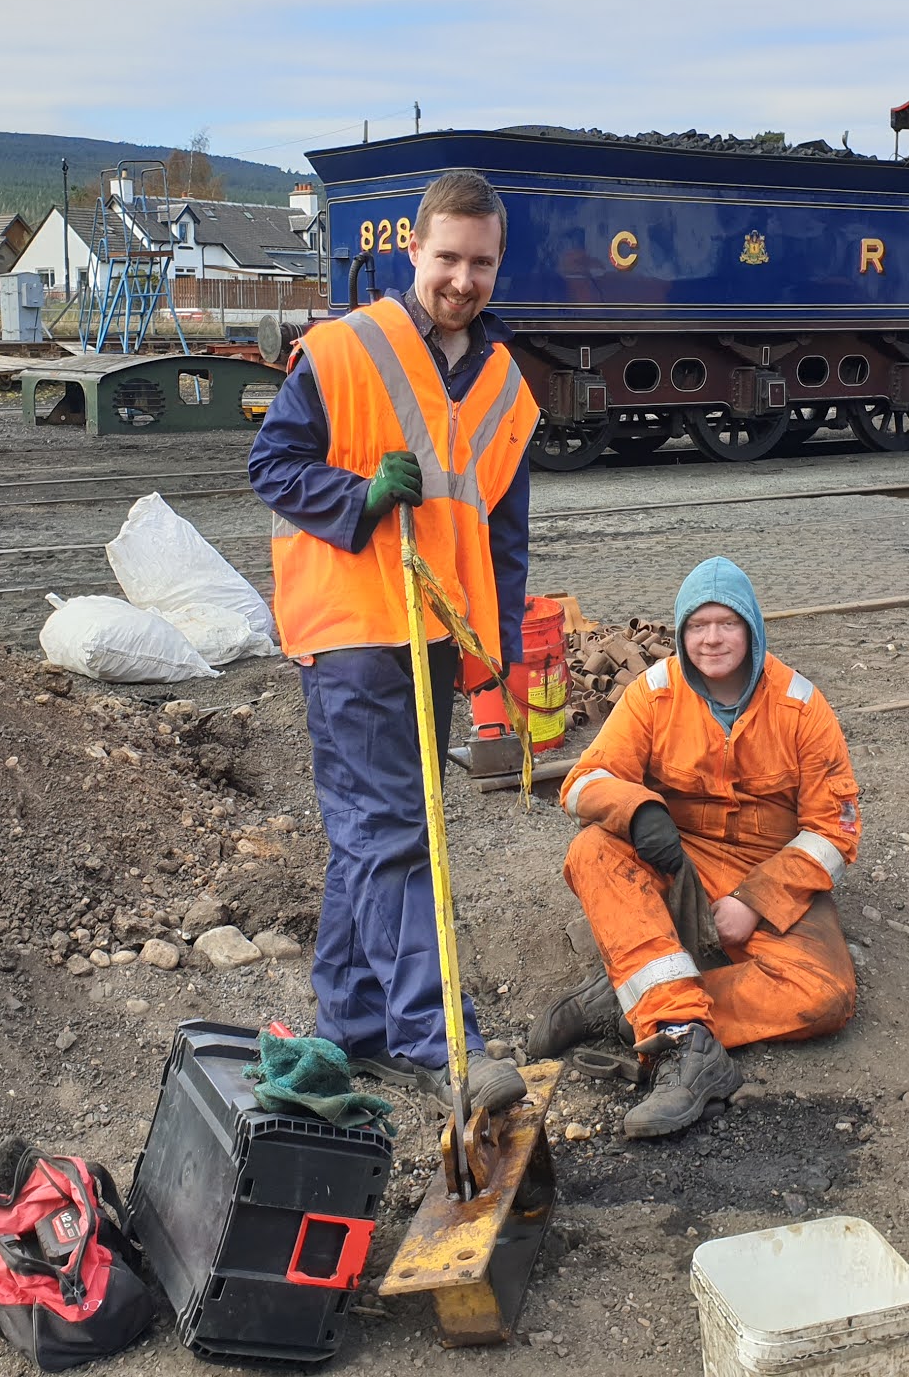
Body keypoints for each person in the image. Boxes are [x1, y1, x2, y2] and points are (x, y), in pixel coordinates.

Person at [249, 170, 540, 1114]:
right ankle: (442, 1040)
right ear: (413, 249)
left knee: (372, 832)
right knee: (395, 831)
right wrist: (360, 497)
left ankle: (353, 1023)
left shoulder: (504, 386)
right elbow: (272, 464)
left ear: (499, 263)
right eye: (448, 257)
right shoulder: (344, 349)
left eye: (481, 263)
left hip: (435, 630)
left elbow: (503, 534)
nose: (463, 279)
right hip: (352, 626)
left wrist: (498, 654)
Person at [529, 557, 860, 1138]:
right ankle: (682, 1040)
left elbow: (834, 830)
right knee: (593, 850)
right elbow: (583, 782)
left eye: (726, 623)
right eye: (698, 625)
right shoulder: (653, 694)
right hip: (678, 862)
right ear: (681, 633)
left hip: (767, 871)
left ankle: (636, 1003)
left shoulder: (802, 707)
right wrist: (638, 810)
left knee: (825, 995)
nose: (712, 639)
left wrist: (755, 900)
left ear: (751, 629)